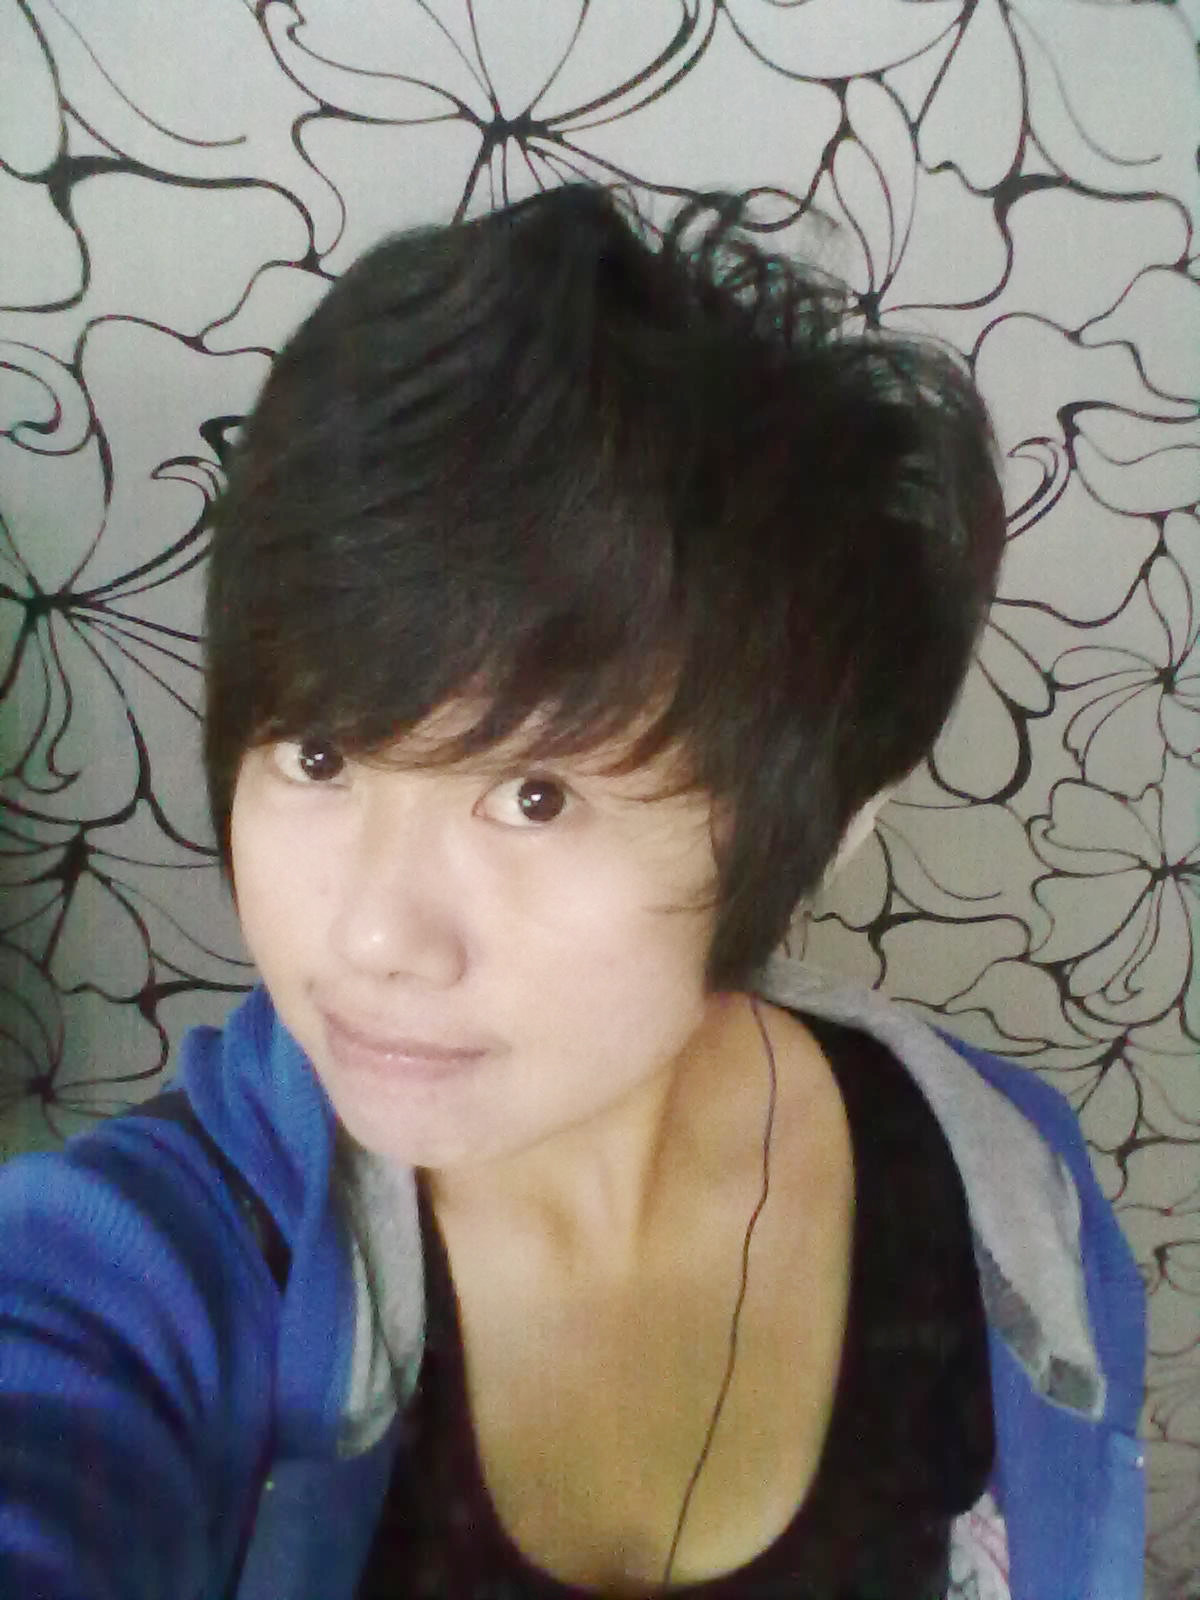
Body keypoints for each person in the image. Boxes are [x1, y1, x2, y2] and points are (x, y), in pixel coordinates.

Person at [0, 184, 1144, 1600]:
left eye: (536, 796)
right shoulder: (166, 1268)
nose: (373, 937)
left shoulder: (1006, 1203)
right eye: (317, 756)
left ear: (814, 832)